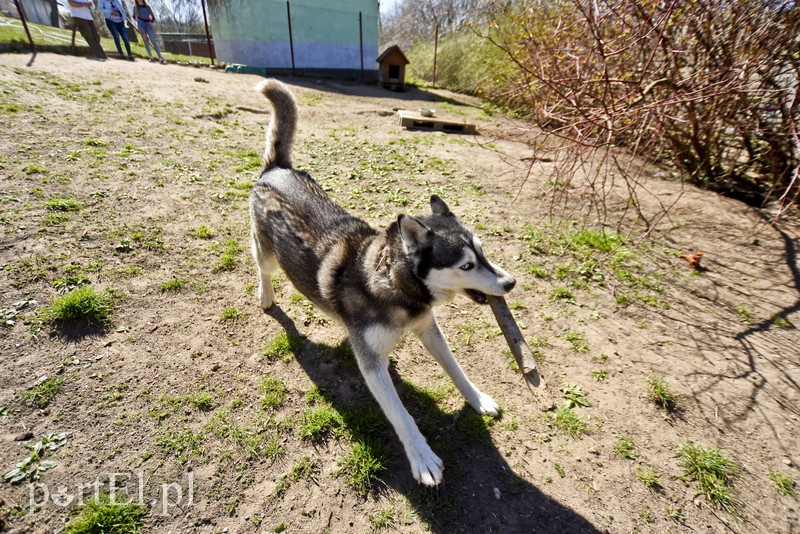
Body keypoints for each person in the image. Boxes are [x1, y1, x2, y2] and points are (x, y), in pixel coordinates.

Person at [132, 0, 166, 64]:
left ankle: (160, 58)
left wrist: (151, 21)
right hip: (140, 24)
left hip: (148, 24)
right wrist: (137, 19)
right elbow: (134, 16)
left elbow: (153, 16)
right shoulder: (135, 7)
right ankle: (151, 57)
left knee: (153, 41)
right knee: (146, 41)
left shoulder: (147, 7)